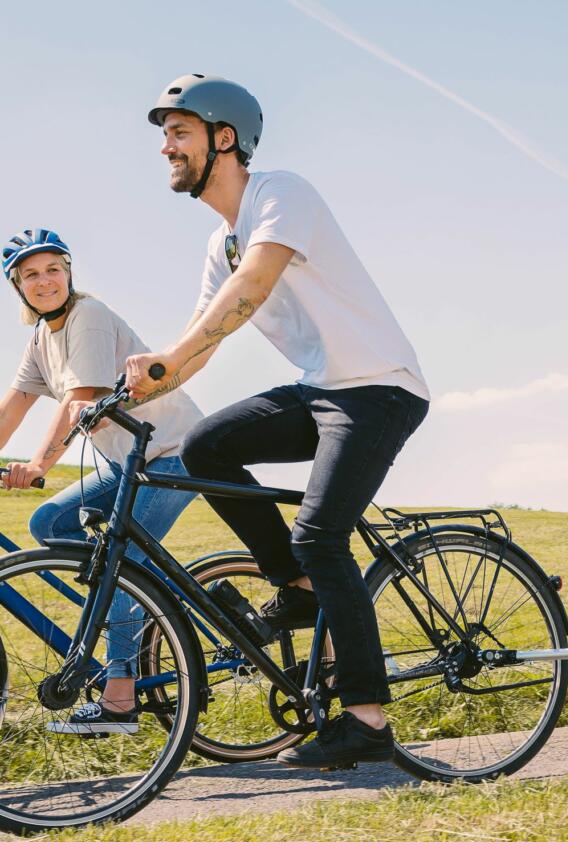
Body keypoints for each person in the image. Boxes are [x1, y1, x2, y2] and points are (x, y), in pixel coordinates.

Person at [126, 75, 430, 771]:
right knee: (206, 445)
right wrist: (133, 393)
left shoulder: (280, 195)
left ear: (223, 137)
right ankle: (296, 593)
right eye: (163, 137)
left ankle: (366, 720)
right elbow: (205, 342)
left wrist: (170, 358)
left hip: (378, 390)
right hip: (321, 390)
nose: (165, 148)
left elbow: (252, 288)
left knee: (321, 536)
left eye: (178, 133)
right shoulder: (219, 243)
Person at [0, 228, 202, 733]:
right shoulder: (41, 339)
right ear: (18, 287)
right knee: (51, 523)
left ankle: (119, 700)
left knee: (123, 566)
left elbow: (82, 398)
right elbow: (15, 405)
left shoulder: (87, 317)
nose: (44, 281)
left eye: (53, 269)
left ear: (69, 273)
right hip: (127, 461)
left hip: (172, 455)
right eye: (31, 275)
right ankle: (127, 607)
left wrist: (40, 465)